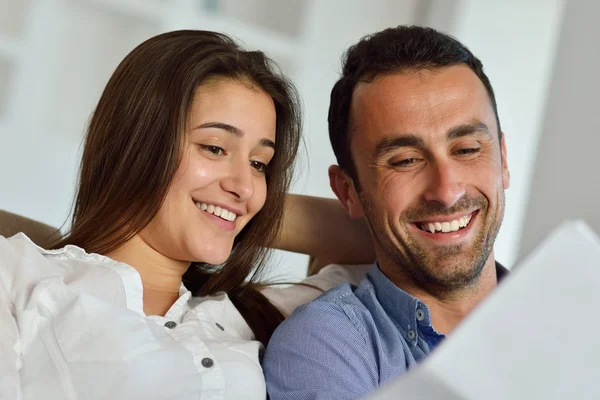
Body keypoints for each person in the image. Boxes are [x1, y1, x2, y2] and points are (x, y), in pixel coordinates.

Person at [0, 30, 374, 400]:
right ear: (137, 143)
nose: (246, 185)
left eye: (260, 164)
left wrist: (246, 207)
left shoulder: (244, 317)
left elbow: (387, 239)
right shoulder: (19, 275)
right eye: (214, 148)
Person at [263, 25, 511, 399]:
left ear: (503, 160)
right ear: (349, 191)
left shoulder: (576, 311)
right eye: (406, 160)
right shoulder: (330, 344)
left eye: (466, 150)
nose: (446, 191)